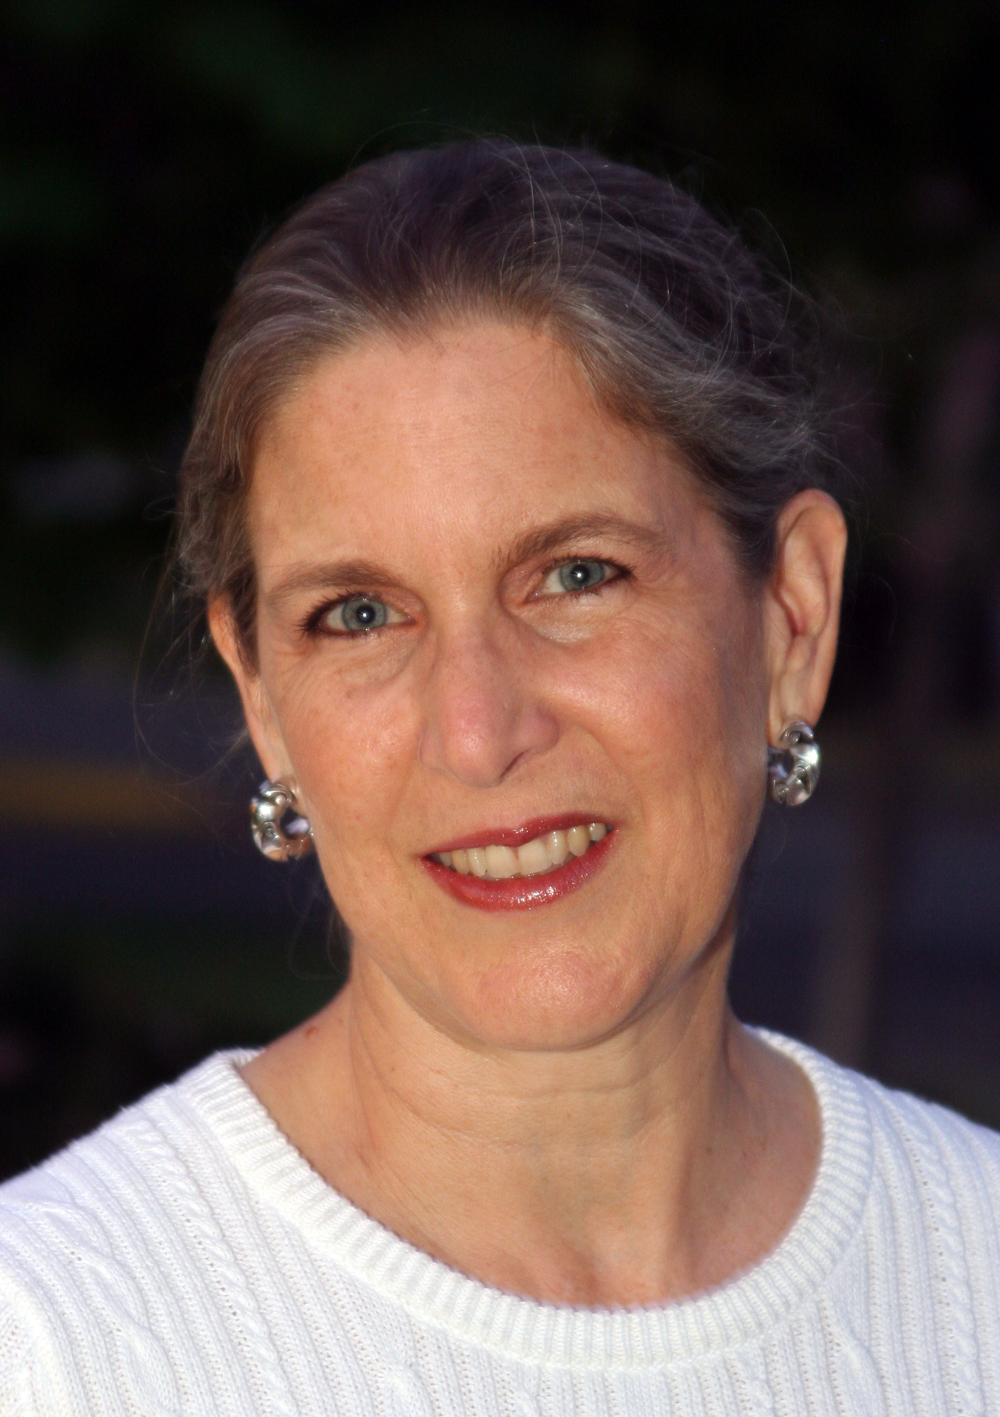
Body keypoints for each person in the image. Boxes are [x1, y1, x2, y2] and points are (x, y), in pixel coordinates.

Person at [1, 140, 997, 1417]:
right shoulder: (55, 1346)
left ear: (791, 615)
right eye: (359, 614)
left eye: (576, 576)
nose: (477, 732)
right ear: (262, 696)